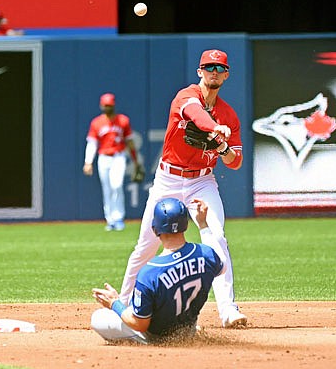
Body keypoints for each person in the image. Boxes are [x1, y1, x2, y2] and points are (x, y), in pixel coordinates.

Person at [118, 49, 247, 328]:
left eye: (220, 68)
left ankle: (228, 310)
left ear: (226, 75)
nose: (214, 71)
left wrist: (222, 146)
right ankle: (124, 304)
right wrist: (214, 129)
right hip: (169, 180)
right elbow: (195, 115)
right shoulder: (186, 96)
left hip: (202, 181)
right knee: (146, 246)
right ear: (200, 72)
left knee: (216, 236)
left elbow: (235, 162)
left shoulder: (229, 115)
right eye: (209, 67)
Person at [91, 197, 225, 344]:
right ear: (186, 225)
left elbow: (139, 324)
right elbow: (222, 265)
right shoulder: (206, 255)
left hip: (156, 338)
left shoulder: (149, 272)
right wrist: (203, 225)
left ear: (155, 230)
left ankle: (142, 342)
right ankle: (185, 333)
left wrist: (114, 303)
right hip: (188, 329)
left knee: (98, 317)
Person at [83, 93, 142, 231]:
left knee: (117, 185)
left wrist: (136, 161)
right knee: (107, 189)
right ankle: (110, 220)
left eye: (109, 105)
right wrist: (88, 162)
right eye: (105, 105)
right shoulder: (96, 123)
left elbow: (130, 142)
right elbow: (92, 144)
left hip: (118, 156)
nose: (107, 108)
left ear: (113, 105)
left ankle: (118, 217)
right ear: (101, 105)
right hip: (103, 157)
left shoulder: (123, 121)